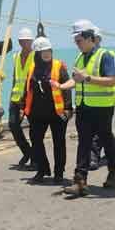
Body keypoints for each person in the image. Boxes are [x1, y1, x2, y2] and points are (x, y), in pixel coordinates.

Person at [61, 20, 115, 197]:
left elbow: (111, 80)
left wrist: (87, 78)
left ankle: (114, 172)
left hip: (102, 108)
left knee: (107, 140)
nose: (77, 44)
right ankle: (80, 180)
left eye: (79, 40)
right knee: (84, 143)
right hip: (84, 107)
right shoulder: (80, 57)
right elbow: (76, 79)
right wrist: (61, 86)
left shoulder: (105, 55)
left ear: (90, 38)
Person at [22, 36, 73, 184]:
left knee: (59, 143)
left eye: (49, 50)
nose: (46, 53)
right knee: (36, 140)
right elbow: (28, 89)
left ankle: (59, 173)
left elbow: (66, 88)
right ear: (37, 54)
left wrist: (68, 109)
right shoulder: (32, 69)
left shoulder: (59, 66)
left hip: (57, 113)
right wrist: (22, 107)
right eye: (43, 51)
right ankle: (42, 169)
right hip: (37, 113)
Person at [89, 32, 115, 170]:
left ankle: (94, 158)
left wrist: (114, 92)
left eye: (95, 38)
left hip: (106, 100)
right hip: (92, 102)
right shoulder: (87, 56)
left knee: (99, 132)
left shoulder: (108, 54)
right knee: (103, 130)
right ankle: (114, 150)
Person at [8, 27, 37, 169]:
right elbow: (15, 77)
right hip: (16, 97)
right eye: (22, 41)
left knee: (34, 129)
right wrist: (12, 96)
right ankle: (27, 152)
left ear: (31, 41)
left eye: (27, 41)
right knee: (13, 125)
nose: (24, 43)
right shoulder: (16, 56)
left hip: (31, 98)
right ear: (19, 42)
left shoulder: (36, 56)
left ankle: (36, 159)